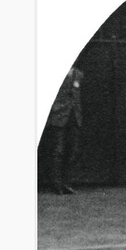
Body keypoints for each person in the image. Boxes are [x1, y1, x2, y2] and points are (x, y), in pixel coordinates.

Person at [44, 62, 84, 194]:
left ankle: (67, 182)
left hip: (74, 117)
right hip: (58, 117)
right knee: (58, 151)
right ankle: (56, 184)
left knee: (72, 150)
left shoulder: (78, 74)